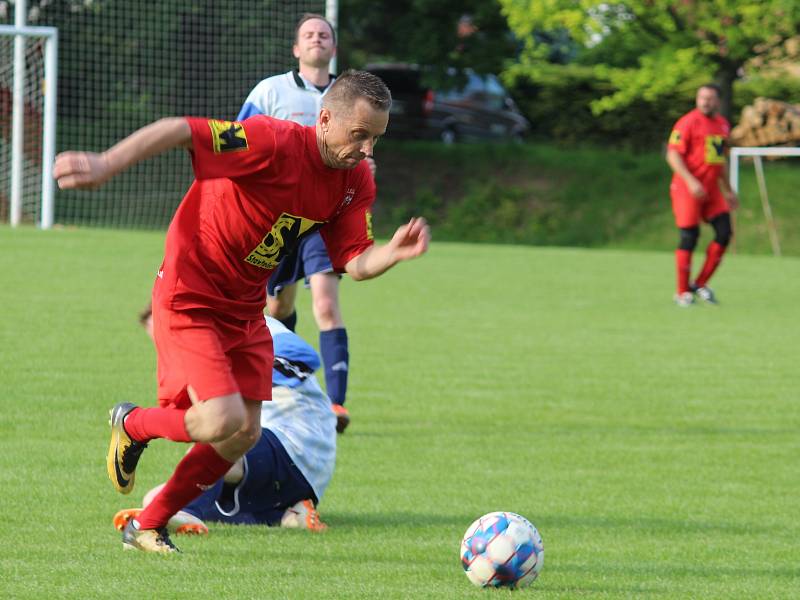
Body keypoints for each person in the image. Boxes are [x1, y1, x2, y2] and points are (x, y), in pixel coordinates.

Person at [54, 69, 430, 553]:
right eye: (359, 136)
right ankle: (133, 424)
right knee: (219, 420)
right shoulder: (270, 141)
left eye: (376, 139)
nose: (367, 151)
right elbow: (180, 130)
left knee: (244, 434)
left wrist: (392, 254)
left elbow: (355, 262)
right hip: (191, 293)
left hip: (246, 310)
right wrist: (106, 163)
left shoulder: (353, 181)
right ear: (325, 118)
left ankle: (147, 525)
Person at [238, 14, 369, 433]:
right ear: (296, 48)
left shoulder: (350, 97)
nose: (317, 39)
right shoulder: (270, 91)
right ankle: (284, 384)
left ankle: (335, 405)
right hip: (278, 218)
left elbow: (365, 148)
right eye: (308, 35)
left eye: (324, 34)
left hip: (324, 218)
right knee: (278, 308)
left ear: (334, 47)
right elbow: (242, 141)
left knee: (327, 304)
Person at [113, 307, 336, 535]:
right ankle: (289, 513)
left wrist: (242, 387)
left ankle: (187, 511)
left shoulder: (249, 324)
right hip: (293, 474)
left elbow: (302, 355)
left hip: (296, 441)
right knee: (158, 497)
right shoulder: (202, 352)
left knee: (219, 436)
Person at [666, 83, 739, 307]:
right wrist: (690, 180)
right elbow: (672, 155)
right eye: (701, 97)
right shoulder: (687, 123)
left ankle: (699, 283)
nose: (705, 101)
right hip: (687, 188)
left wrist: (728, 190)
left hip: (711, 190)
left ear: (717, 101)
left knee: (724, 233)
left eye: (709, 98)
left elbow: (719, 161)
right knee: (689, 236)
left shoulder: (721, 125)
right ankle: (681, 292)